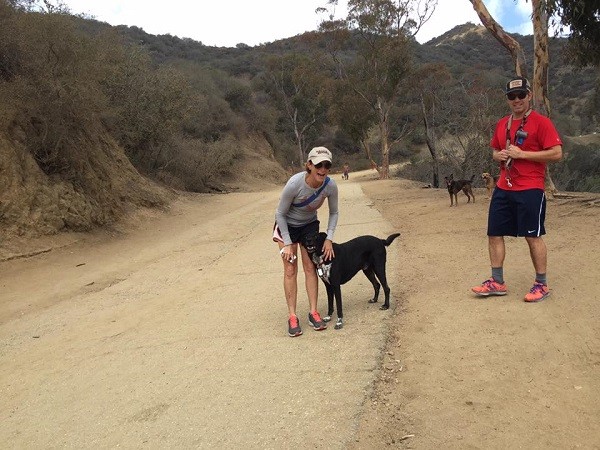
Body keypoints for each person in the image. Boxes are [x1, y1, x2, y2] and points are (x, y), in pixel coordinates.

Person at [472, 76, 562, 302]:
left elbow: (556, 153)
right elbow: (494, 151)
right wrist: (499, 155)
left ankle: (541, 284)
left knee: (532, 236)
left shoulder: (542, 123)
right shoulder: (502, 123)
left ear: (529, 96)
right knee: (494, 233)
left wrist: (523, 155)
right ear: (507, 99)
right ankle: (497, 282)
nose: (517, 100)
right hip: (504, 186)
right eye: (512, 96)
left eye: (521, 95)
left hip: (530, 188)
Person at [273, 146, 339, 336]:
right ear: (309, 165)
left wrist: (329, 238)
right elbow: (280, 213)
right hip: (287, 226)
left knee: (311, 267)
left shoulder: (330, 186)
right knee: (290, 269)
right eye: (319, 165)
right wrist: (287, 243)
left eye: (327, 165)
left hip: (309, 225)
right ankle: (292, 316)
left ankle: (313, 312)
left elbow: (334, 212)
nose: (323, 169)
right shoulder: (295, 184)